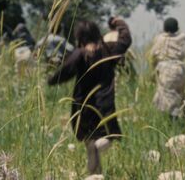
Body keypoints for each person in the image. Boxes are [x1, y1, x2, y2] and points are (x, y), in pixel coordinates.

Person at [47, 17, 132, 175]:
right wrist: (118, 23)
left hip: (82, 106)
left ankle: (94, 174)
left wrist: (50, 80)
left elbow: (63, 73)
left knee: (90, 144)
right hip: (105, 105)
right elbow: (125, 39)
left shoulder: (79, 54)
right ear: (97, 33)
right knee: (107, 136)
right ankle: (96, 171)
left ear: (79, 36)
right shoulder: (109, 51)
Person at [150, 17, 185, 118]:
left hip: (165, 69)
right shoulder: (182, 37)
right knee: (179, 94)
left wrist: (153, 70)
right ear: (177, 28)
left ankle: (173, 121)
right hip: (179, 69)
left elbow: (153, 55)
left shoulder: (160, 38)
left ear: (164, 28)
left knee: (167, 97)